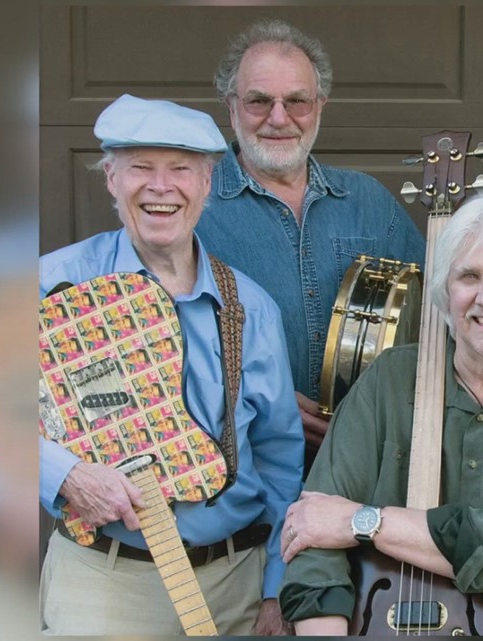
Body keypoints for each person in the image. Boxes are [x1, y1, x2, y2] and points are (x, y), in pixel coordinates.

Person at [278, 195, 483, 635]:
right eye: (469, 276)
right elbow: (311, 532)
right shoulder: (389, 380)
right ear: (444, 292)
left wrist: (361, 521)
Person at [39, 94, 304, 635]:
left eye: (181, 170)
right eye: (141, 168)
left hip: (235, 586)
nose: (161, 188)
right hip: (104, 585)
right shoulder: (49, 286)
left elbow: (280, 458)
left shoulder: (249, 308)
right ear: (112, 179)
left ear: (207, 186)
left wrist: (276, 586)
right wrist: (65, 475)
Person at [195, 19, 426, 466]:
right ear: (231, 107)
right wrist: (259, 401)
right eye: (259, 100)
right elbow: (161, 342)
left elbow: (435, 321)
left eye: (296, 101)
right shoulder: (195, 207)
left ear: (320, 105)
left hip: (360, 466)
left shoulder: (368, 202)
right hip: (241, 466)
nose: (278, 118)